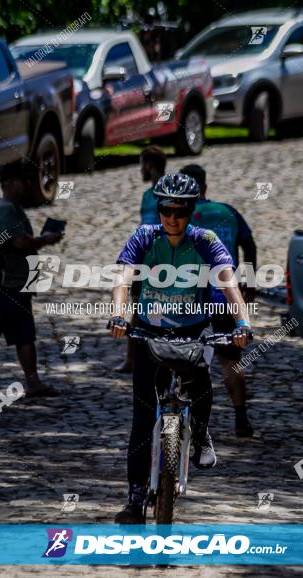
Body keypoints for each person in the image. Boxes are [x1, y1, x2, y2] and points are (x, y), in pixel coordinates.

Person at [107, 173, 253, 524]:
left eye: (181, 210)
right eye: (166, 209)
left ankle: (202, 435)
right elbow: (123, 278)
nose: (172, 217)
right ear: (158, 208)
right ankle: (135, 500)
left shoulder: (206, 240)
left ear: (192, 210)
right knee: (142, 419)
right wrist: (117, 314)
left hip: (192, 333)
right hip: (148, 334)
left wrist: (243, 324)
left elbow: (229, 285)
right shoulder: (144, 237)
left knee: (201, 385)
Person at [180, 164, 257, 437]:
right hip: (225, 294)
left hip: (190, 296)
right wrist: (249, 280)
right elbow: (249, 245)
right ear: (205, 185)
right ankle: (241, 417)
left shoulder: (181, 216)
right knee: (229, 359)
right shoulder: (228, 212)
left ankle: (187, 420)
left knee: (185, 357)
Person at [0, 159, 63, 397]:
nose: (27, 185)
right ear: (9, 183)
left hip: (17, 284)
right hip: (6, 285)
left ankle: (33, 381)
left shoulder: (11, 207)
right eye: (23, 180)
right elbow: (18, 243)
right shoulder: (7, 209)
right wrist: (45, 239)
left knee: (24, 334)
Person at [115, 146, 168, 373]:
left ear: (149, 164)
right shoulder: (147, 195)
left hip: (162, 260)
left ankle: (161, 356)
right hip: (142, 259)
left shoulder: (167, 192)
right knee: (137, 308)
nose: (141, 170)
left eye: (142, 164)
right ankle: (132, 358)